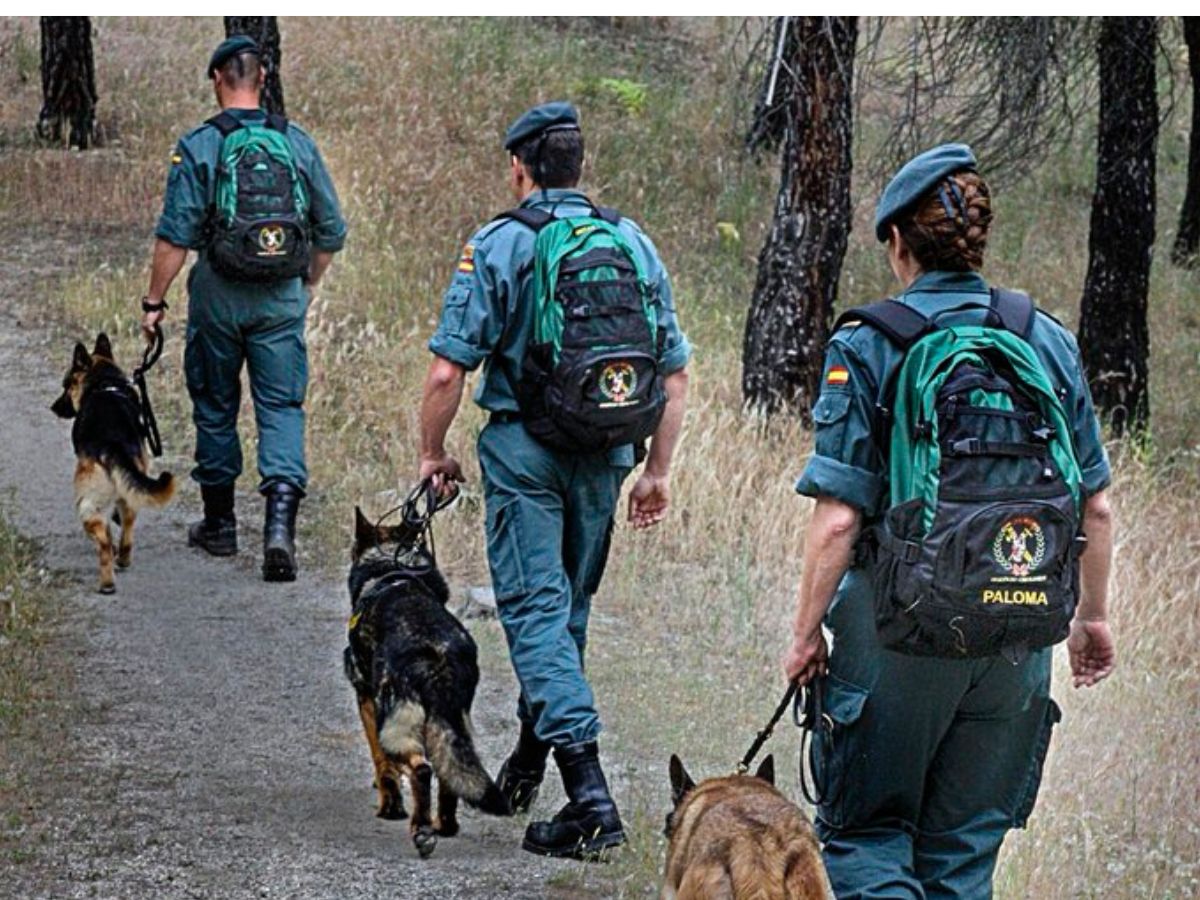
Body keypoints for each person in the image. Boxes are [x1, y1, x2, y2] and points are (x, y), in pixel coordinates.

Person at [782, 144, 1116, 899]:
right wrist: (1091, 618)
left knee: (866, 840)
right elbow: (1094, 502)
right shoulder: (1046, 340)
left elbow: (838, 521)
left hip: (897, 632)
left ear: (898, 241)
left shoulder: (871, 342)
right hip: (1019, 634)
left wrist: (806, 634)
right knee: (964, 853)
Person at [417, 101, 691, 859]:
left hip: (527, 453)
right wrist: (657, 471)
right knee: (564, 616)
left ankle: (592, 802)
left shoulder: (500, 243)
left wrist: (430, 454)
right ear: (580, 166)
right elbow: (674, 373)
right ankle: (529, 768)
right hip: (606, 457)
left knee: (536, 615)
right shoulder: (632, 243)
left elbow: (447, 371)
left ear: (520, 169)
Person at [140, 35, 346, 582]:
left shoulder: (201, 146)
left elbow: (173, 240)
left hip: (218, 298)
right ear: (262, 80)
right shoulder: (297, 143)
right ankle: (279, 531)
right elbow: (332, 230)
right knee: (281, 407)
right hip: (281, 298)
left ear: (217, 80)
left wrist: (153, 303)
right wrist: (305, 285)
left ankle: (221, 525)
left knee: (214, 404)